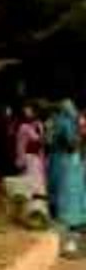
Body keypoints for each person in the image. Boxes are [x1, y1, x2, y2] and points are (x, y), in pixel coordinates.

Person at [47, 99, 86, 233]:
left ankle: (72, 218)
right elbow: (70, 142)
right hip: (68, 158)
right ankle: (73, 220)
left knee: (67, 189)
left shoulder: (59, 121)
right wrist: (77, 141)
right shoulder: (66, 122)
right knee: (70, 189)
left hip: (64, 158)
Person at [15, 104, 46, 197]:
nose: (27, 113)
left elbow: (41, 141)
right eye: (26, 111)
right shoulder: (23, 127)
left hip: (38, 159)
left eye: (30, 111)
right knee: (28, 186)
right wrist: (21, 161)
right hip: (28, 158)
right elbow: (20, 146)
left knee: (39, 185)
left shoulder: (39, 125)